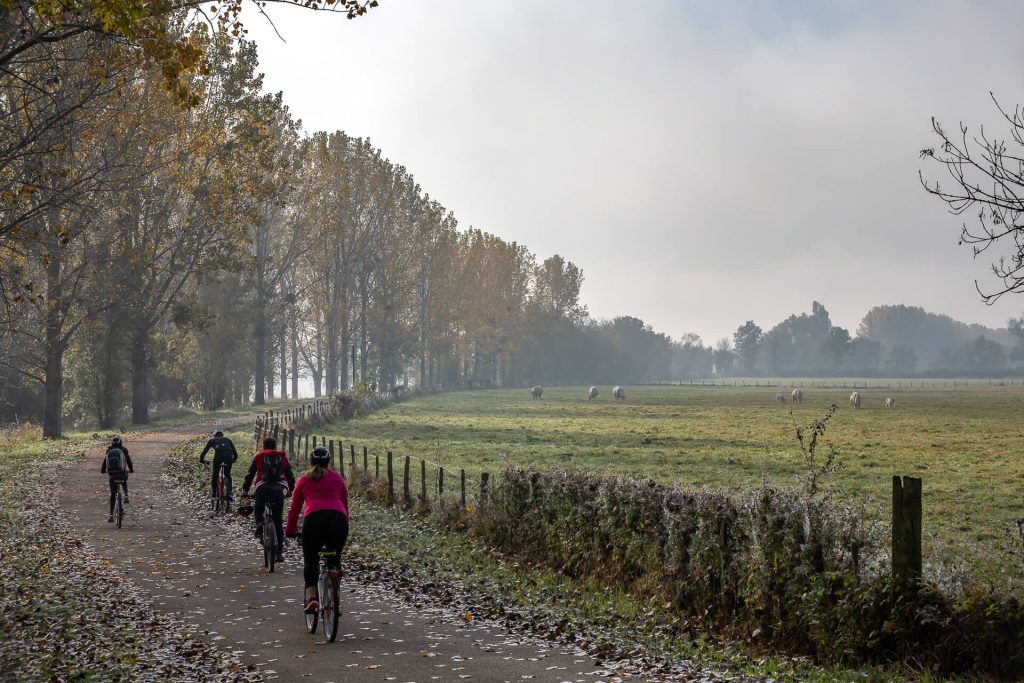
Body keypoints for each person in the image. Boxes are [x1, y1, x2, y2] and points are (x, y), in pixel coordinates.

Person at [285, 446, 349, 614]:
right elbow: (344, 504)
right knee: (335, 558)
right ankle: (334, 597)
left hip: (314, 520)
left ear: (311, 461)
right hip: (338, 520)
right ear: (329, 462)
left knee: (311, 559)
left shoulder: (304, 479)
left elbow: (294, 509)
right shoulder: (338, 479)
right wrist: (344, 525)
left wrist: (290, 529)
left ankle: (312, 598)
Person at [241, 437, 295, 563]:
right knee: (277, 521)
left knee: (258, 508)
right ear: (275, 446)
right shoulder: (282, 457)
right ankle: (279, 553)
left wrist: (245, 490)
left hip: (262, 488)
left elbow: (250, 475)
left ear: (263, 446)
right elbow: (290, 475)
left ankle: (260, 524)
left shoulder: (259, 457)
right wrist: (290, 489)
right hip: (278, 490)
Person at [199, 430, 239, 503]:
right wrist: (234, 460)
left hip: (218, 457)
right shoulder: (228, 440)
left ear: (214, 436)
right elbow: (235, 454)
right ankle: (230, 493)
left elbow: (204, 452)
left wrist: (202, 460)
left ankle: (214, 494)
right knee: (227, 474)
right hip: (229, 457)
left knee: (215, 474)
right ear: (222, 435)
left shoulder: (212, 440)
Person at [101, 436, 134, 522]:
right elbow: (128, 461)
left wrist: (102, 470)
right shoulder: (124, 450)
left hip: (112, 475)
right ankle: (126, 495)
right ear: (121, 443)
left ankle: (111, 515)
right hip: (122, 474)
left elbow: (105, 461)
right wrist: (131, 470)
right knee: (124, 476)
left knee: (113, 495)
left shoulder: (109, 450)